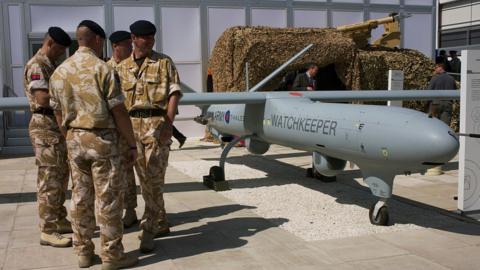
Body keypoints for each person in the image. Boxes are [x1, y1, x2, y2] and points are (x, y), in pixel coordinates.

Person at [49, 20, 138, 269]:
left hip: (74, 140)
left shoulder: (60, 71)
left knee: (80, 197)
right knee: (108, 198)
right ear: (98, 40)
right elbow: (118, 110)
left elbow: (57, 113)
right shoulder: (103, 69)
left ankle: (84, 253)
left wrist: (69, 133)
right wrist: (131, 144)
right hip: (102, 141)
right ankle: (111, 255)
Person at [116, 20, 182, 253]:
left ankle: (149, 229)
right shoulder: (121, 67)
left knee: (154, 181)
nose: (150, 41)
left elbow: (174, 92)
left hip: (156, 127)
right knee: (142, 181)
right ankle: (160, 220)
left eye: (153, 38)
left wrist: (169, 124)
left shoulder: (163, 62)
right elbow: (115, 102)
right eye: (146, 38)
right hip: (130, 129)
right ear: (133, 38)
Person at [24, 26, 73, 248]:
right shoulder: (37, 65)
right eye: (61, 49)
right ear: (50, 43)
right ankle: (48, 229)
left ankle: (59, 219)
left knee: (61, 177)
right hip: (45, 127)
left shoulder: (52, 64)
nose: (63, 53)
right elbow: (43, 98)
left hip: (55, 126)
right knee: (49, 180)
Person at [106, 30, 139, 228]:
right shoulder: (104, 68)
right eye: (127, 44)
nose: (131, 47)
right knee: (112, 172)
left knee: (130, 171)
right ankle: (113, 209)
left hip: (133, 126)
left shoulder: (135, 66)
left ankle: (131, 210)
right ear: (116, 46)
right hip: (112, 129)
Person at [425, 62, 457, 176]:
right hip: (447, 104)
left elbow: (428, 93)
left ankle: (432, 158)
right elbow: (454, 92)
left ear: (440, 68)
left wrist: (425, 106)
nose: (435, 69)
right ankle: (441, 162)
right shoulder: (451, 79)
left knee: (432, 129)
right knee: (444, 129)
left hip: (435, 104)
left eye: (436, 67)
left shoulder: (435, 79)